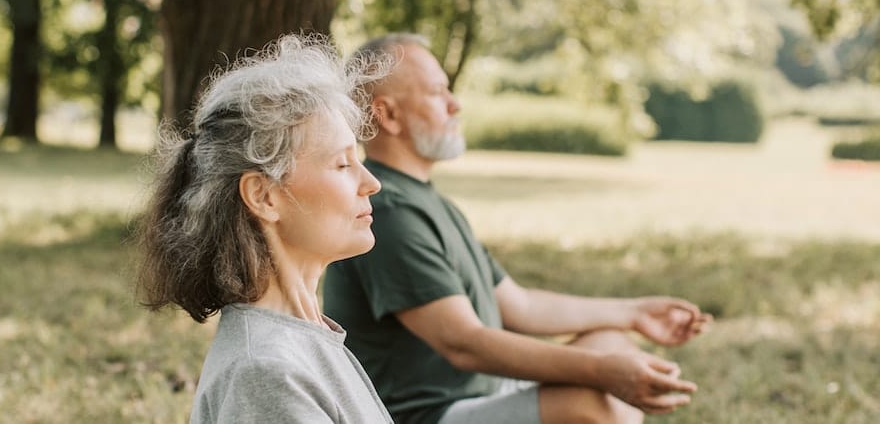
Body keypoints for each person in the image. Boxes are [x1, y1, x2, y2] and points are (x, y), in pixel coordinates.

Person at [323, 33, 713, 424]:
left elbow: (520, 306)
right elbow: (465, 344)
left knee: (612, 343)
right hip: (428, 416)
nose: (455, 104)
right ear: (388, 115)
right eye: (438, 92)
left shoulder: (427, 202)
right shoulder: (388, 212)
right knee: (591, 400)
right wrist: (601, 371)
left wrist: (633, 313)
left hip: (482, 396)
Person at [136, 34, 393, 424]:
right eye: (342, 164)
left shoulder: (303, 338)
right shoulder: (267, 372)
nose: (371, 182)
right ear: (264, 196)